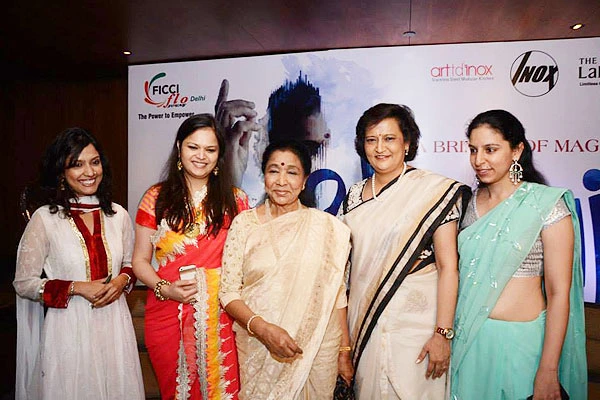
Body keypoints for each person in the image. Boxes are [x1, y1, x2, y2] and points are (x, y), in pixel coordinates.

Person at [451, 109, 587, 399]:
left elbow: (558, 293)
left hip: (522, 345)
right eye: (473, 150)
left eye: (490, 150)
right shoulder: (465, 205)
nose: (479, 160)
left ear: (517, 150)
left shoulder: (546, 205)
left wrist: (548, 369)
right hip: (469, 341)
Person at [339, 103, 470, 399]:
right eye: (371, 140)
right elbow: (344, 271)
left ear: (407, 143)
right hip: (366, 322)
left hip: (418, 326)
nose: (380, 148)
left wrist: (442, 334)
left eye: (389, 139)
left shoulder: (433, 192)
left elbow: (448, 267)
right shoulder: (353, 196)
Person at [14, 128, 144, 400]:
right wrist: (76, 287)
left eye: (95, 162)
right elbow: (24, 283)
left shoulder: (117, 215)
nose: (89, 172)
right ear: (61, 172)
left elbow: (131, 264)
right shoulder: (45, 219)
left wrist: (121, 281)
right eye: (77, 164)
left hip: (115, 325)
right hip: (68, 329)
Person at [219, 140, 353, 399]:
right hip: (258, 345)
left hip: (317, 347)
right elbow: (228, 292)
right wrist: (263, 329)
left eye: (292, 172)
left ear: (304, 181)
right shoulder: (244, 224)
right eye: (274, 171)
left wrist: (344, 351)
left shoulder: (325, 228)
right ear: (264, 177)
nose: (282, 181)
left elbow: (336, 295)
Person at [132, 113, 249, 399]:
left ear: (219, 155)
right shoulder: (156, 197)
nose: (201, 156)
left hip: (221, 315)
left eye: (210, 149)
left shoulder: (236, 200)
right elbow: (139, 261)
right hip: (167, 311)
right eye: (193, 147)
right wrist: (165, 289)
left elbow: (246, 262)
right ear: (179, 148)